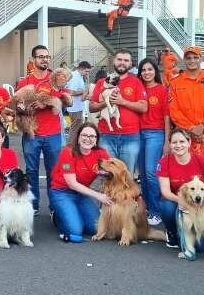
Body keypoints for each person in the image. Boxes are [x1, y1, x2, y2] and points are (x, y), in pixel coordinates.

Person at [16, 45, 71, 214]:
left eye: (47, 56)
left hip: (53, 133)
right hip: (32, 134)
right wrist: (27, 108)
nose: (45, 59)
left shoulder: (56, 78)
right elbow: (17, 105)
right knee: (31, 171)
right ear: (33, 60)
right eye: (41, 57)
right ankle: (33, 205)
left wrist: (49, 101)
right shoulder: (25, 82)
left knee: (53, 171)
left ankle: (54, 206)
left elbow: (68, 102)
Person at [157, 128, 204, 252]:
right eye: (174, 142)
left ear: (189, 143)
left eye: (182, 142)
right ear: (170, 144)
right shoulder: (164, 162)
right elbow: (165, 192)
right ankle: (172, 233)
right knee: (166, 206)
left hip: (200, 203)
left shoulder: (201, 160)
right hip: (177, 201)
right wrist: (181, 201)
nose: (178, 145)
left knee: (200, 248)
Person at [168, 46, 204, 182]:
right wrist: (192, 129)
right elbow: (174, 111)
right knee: (187, 174)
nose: (192, 60)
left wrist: (202, 126)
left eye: (195, 57)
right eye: (188, 58)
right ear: (184, 60)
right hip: (186, 137)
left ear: (201, 59)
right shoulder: (175, 83)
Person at [89, 48, 147, 178]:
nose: (122, 63)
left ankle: (127, 199)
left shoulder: (136, 82)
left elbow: (143, 107)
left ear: (131, 64)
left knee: (127, 176)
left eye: (126, 60)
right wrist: (106, 101)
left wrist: (122, 101)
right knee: (108, 176)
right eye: (119, 59)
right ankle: (108, 199)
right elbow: (92, 107)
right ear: (113, 61)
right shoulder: (102, 82)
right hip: (107, 136)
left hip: (130, 137)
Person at [49, 123, 111, 242]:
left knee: (96, 228)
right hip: (62, 191)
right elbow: (72, 183)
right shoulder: (68, 152)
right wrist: (99, 196)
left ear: (96, 139)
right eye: (84, 135)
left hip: (82, 194)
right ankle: (57, 215)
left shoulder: (101, 154)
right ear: (78, 137)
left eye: (92, 136)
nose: (88, 139)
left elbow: (112, 173)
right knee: (75, 230)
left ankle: (72, 212)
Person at [138, 58, 169, 226]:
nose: (147, 72)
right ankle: (149, 208)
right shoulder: (138, 88)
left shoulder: (162, 89)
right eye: (143, 70)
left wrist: (167, 141)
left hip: (155, 134)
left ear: (155, 71)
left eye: (150, 69)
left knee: (151, 172)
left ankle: (157, 211)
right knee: (142, 174)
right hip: (137, 133)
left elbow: (166, 116)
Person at [66, 61, 91, 143]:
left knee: (76, 129)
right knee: (75, 130)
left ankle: (72, 147)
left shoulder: (79, 76)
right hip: (75, 108)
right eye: (87, 71)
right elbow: (71, 92)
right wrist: (83, 92)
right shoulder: (75, 76)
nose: (87, 73)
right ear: (82, 69)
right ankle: (70, 148)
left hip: (77, 107)